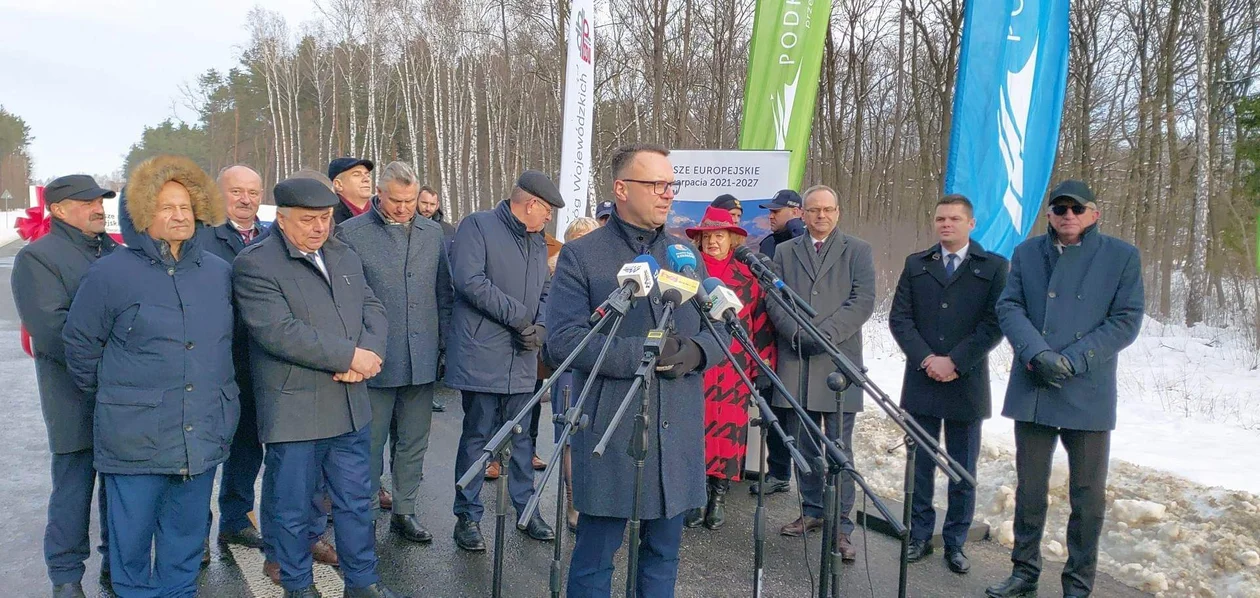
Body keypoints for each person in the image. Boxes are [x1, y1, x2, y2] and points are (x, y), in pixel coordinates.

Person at [547, 143, 728, 597]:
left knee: (663, 557)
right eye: (657, 184)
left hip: (678, 429)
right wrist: (644, 355)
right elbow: (564, 342)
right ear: (622, 188)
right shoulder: (582, 256)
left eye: (671, 185)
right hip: (613, 426)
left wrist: (693, 353)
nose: (668, 194)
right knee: (595, 559)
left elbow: (721, 333)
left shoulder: (686, 255)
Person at [62, 156, 239, 597]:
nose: (179, 216)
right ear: (142, 214)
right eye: (166, 207)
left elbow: (225, 347)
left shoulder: (217, 272)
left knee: (184, 543)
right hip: (134, 438)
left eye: (185, 206)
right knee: (131, 546)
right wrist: (123, 401)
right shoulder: (111, 273)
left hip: (201, 433)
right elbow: (81, 347)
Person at [234, 177, 406, 598]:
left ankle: (362, 583)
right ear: (282, 217)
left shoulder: (343, 254)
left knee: (355, 502)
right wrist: (350, 357)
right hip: (294, 410)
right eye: (308, 220)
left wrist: (369, 352)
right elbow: (279, 332)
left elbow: (373, 306)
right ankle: (298, 585)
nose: (319, 228)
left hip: (349, 405)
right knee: (292, 509)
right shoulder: (256, 263)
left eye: (326, 218)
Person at [986, 180, 1144, 598]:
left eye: (1077, 208)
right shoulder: (1026, 253)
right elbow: (1009, 305)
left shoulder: (1121, 256)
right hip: (1034, 384)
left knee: (1088, 497)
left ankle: (1077, 583)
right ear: (1050, 214)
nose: (1068, 215)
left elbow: (1126, 319)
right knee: (1031, 490)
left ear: (1095, 213)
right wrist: (1036, 353)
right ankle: (1023, 573)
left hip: (1086, 390)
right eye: (1060, 208)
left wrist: (1075, 358)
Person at [889, 194, 1008, 575]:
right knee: (920, 464)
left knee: (962, 467)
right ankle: (920, 535)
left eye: (955, 219)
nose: (946, 225)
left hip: (966, 381)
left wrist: (955, 361)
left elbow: (994, 323)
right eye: (941, 218)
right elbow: (900, 319)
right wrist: (926, 359)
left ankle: (955, 542)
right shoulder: (917, 264)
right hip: (922, 378)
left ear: (970, 224)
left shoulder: (993, 267)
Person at [11, 174, 118, 598]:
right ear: (57, 209)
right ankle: (65, 576)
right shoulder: (38, 258)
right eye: (87, 201)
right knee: (73, 490)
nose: (98, 207)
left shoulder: (114, 252)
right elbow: (51, 331)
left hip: (122, 398)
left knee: (120, 488)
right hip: (72, 396)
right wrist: (113, 369)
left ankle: (117, 562)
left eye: (100, 200)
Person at [336, 161, 453, 544]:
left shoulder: (433, 234)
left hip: (420, 357)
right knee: (368, 441)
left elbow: (442, 293)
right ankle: (364, 511)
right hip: (374, 359)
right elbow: (345, 300)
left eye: (410, 200)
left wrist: (443, 347)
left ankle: (405, 510)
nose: (403, 208)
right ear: (379, 195)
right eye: (395, 200)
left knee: (413, 440)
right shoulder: (350, 233)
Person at [446, 170, 563, 551]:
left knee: (524, 437)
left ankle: (526, 509)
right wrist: (520, 318)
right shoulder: (477, 226)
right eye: (547, 211)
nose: (548, 219)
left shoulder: (535, 242)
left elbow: (547, 290)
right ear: (531, 204)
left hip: (524, 356)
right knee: (478, 436)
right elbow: (469, 280)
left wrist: (542, 327)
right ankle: (467, 516)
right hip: (483, 355)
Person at [764, 184, 874, 563]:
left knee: (839, 449)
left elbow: (863, 300)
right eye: (814, 210)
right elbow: (772, 296)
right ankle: (811, 510)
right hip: (796, 357)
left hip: (838, 360)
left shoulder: (857, 250)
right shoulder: (784, 251)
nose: (821, 216)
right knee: (804, 443)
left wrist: (823, 334)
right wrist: (795, 333)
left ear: (838, 212)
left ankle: (841, 526)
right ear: (803, 214)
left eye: (828, 209)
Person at [682, 206, 777, 531]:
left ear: (732, 239)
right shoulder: (687, 272)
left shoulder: (746, 276)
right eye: (707, 236)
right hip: (695, 361)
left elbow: (760, 324)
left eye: (718, 236)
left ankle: (718, 496)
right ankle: (694, 497)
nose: (711, 242)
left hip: (733, 366)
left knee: (727, 432)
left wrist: (762, 364)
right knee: (694, 429)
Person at [199, 164, 267, 551]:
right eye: (236, 191)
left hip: (256, 361)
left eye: (253, 193)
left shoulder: (270, 237)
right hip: (214, 362)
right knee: (209, 450)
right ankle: (196, 534)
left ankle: (236, 520)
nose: (246, 200)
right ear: (219, 193)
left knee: (247, 447)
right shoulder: (202, 238)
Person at [748, 188, 807, 498]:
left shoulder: (806, 241)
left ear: (797, 212)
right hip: (769, 337)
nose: (770, 216)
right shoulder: (768, 244)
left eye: (777, 211)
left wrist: (798, 229)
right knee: (771, 406)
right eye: (769, 211)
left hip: (802, 338)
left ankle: (807, 478)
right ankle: (780, 471)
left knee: (797, 411)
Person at [548, 216, 601, 532]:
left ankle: (598, 503)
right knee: (570, 438)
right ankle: (574, 503)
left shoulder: (613, 274)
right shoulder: (559, 275)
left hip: (603, 366)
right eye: (577, 240)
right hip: (570, 367)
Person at [418, 184, 453, 414]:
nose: (428, 208)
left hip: (439, 292)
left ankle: (427, 395)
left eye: (432, 204)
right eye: (424, 203)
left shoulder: (448, 231)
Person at [329, 156, 375, 224]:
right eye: (356, 175)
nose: (366, 179)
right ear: (338, 184)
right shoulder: (328, 217)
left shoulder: (384, 211)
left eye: (368, 175)